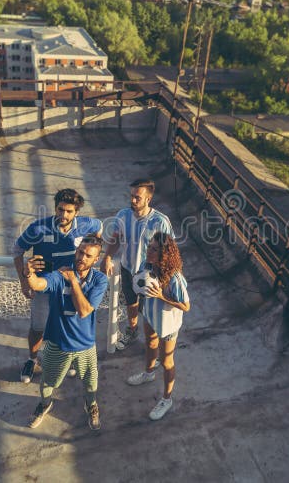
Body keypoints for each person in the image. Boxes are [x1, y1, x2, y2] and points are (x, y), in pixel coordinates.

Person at [14, 189, 102, 383]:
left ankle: (64, 359)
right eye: (60, 209)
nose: (63, 215)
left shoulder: (87, 224)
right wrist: (23, 281)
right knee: (38, 326)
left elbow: (99, 228)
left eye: (69, 211)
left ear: (76, 212)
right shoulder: (38, 228)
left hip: (70, 286)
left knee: (65, 324)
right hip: (45, 285)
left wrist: (96, 252)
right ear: (55, 208)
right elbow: (17, 250)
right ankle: (32, 359)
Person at [23, 235, 109, 430]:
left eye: (88, 256)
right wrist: (28, 274)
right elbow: (38, 285)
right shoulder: (59, 274)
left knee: (90, 383)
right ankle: (45, 404)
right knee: (47, 383)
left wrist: (73, 281)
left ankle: (91, 405)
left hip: (85, 344)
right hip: (57, 343)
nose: (82, 258)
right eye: (80, 252)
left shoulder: (100, 280)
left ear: (96, 260)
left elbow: (85, 310)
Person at [102, 179, 173, 350]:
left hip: (151, 274)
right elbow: (116, 239)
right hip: (128, 269)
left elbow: (170, 251)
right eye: (131, 196)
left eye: (137, 197)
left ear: (148, 199)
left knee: (151, 311)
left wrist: (166, 277)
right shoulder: (122, 215)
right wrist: (107, 257)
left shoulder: (160, 222)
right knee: (131, 304)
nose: (133, 200)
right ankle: (132, 331)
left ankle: (153, 347)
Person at [126, 232, 190, 420]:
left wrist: (162, 296)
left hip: (168, 325)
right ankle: (148, 373)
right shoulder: (146, 265)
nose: (149, 251)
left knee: (167, 361)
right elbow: (140, 281)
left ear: (165, 253)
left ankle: (166, 399)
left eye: (154, 249)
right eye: (149, 247)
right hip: (150, 315)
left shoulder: (174, 277)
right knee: (150, 345)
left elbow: (186, 306)